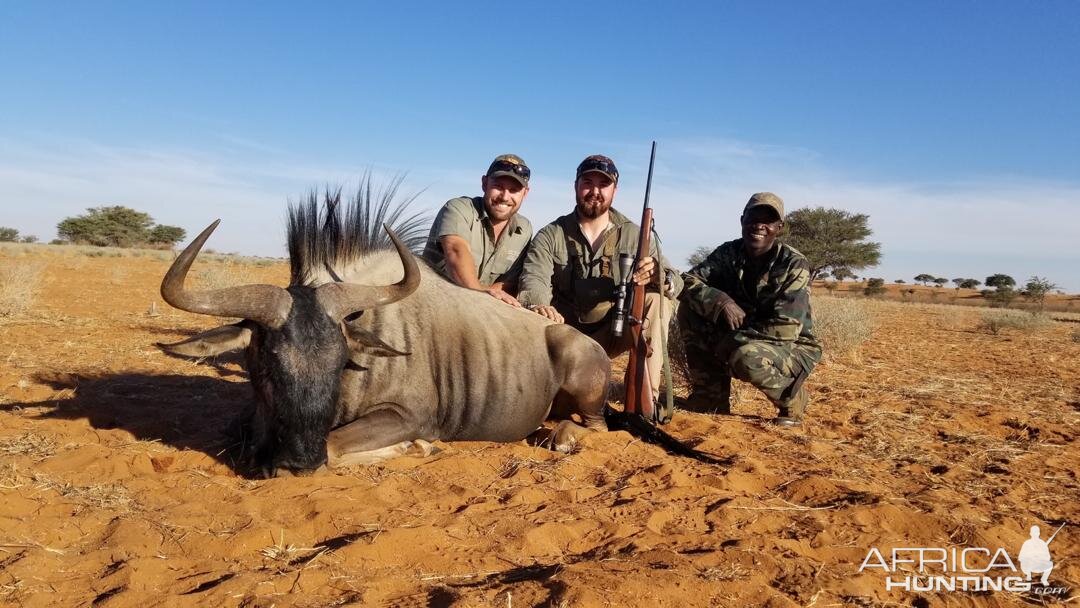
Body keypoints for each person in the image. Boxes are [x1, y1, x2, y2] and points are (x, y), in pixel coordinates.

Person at [518, 154, 682, 411]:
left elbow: (677, 282)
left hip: (615, 330)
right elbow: (533, 277)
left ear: (614, 191)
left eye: (603, 184)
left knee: (657, 300)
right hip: (567, 335)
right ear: (576, 186)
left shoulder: (634, 234)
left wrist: (660, 276)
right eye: (587, 182)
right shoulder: (551, 234)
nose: (595, 191)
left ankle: (644, 398)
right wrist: (539, 305)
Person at [678, 192, 821, 427]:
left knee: (746, 357)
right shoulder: (728, 253)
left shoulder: (793, 263)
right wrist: (720, 301)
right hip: (743, 334)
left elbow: (786, 329)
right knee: (690, 309)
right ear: (742, 219)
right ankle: (710, 398)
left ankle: (792, 397)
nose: (759, 225)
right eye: (753, 217)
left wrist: (731, 342)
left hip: (792, 347)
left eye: (768, 220)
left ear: (779, 227)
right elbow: (688, 282)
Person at [423, 154, 533, 306]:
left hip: (484, 310)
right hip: (436, 302)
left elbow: (510, 282)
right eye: (498, 186)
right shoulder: (458, 208)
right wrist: (480, 293)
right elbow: (456, 250)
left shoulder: (525, 229)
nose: (505, 197)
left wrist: (486, 298)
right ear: (484, 183)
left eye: (514, 190)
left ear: (525, 193)